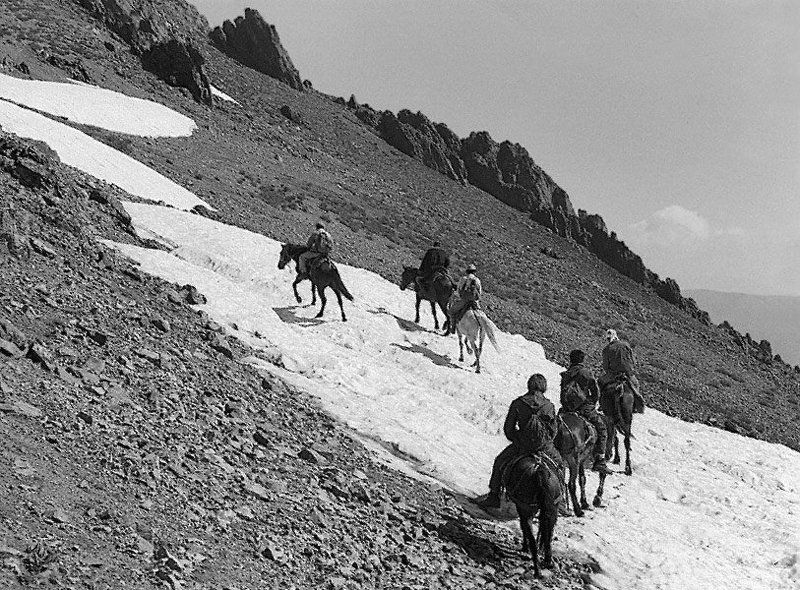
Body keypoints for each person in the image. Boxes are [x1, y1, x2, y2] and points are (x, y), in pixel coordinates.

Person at [474, 373, 562, 510]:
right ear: (544, 387)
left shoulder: (518, 403)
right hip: (543, 447)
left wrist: (518, 439)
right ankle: (559, 500)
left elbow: (508, 429)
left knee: (499, 462)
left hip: (522, 446)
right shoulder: (549, 406)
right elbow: (553, 430)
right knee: (560, 464)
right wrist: (546, 442)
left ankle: (494, 496)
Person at [560, 349, 612, 475]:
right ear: (582, 360)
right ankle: (599, 460)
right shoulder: (586, 372)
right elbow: (595, 392)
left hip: (567, 408)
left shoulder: (566, 374)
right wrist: (591, 404)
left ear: (571, 360)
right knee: (602, 428)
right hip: (584, 407)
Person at [598, 329, 645, 414]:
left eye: (608, 339)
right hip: (628, 373)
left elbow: (605, 366)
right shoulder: (626, 345)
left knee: (600, 381)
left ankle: (602, 404)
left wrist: (609, 372)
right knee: (636, 384)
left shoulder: (606, 349)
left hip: (613, 375)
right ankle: (636, 405)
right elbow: (633, 360)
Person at [448, 264, 481, 334]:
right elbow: (480, 292)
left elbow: (458, 290)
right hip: (474, 302)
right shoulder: (477, 280)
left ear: (467, 272)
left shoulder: (463, 279)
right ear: (474, 272)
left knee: (451, 311)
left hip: (464, 300)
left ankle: (453, 328)